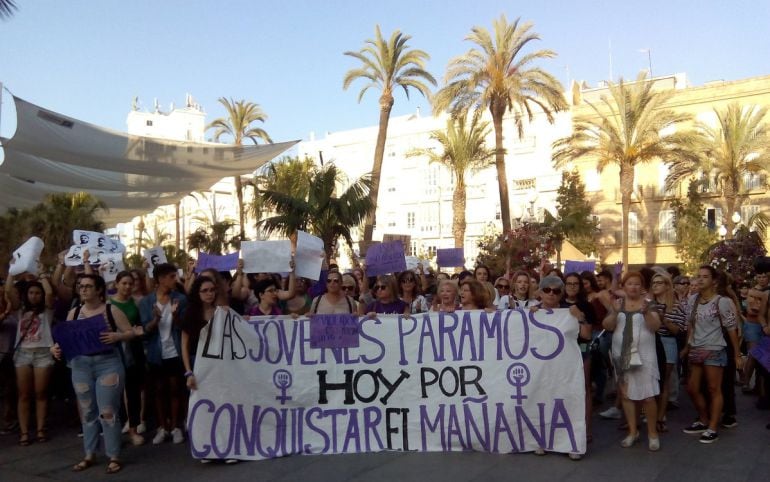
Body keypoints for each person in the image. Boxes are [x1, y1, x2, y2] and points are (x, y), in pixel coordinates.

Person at [51, 274, 135, 474]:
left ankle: (113, 455)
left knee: (108, 411)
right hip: (81, 365)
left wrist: (118, 336)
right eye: (81, 286)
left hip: (107, 363)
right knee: (87, 411)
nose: (84, 289)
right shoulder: (74, 312)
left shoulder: (111, 310)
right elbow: (65, 339)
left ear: (99, 289)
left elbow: (131, 332)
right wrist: (55, 349)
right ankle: (89, 453)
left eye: (88, 286)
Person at [532, 275, 591, 460]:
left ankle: (571, 442)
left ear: (561, 294)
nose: (551, 294)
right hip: (540, 367)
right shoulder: (531, 312)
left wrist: (580, 318)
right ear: (540, 292)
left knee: (569, 402)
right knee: (543, 401)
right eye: (547, 290)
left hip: (566, 367)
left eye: (556, 291)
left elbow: (587, 336)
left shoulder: (570, 311)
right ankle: (542, 440)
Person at [680, 266, 741, 444]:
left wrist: (737, 354)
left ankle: (713, 427)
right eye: (698, 277)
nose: (699, 280)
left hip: (715, 348)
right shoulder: (693, 300)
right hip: (696, 347)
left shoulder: (722, 301)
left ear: (714, 280)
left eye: (704, 277)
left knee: (714, 388)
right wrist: (687, 345)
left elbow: (731, 329)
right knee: (692, 388)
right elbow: (690, 324)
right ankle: (703, 418)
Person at [603, 271, 662, 451]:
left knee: (648, 396)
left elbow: (655, 327)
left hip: (645, 356)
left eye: (637, 284)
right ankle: (632, 431)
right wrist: (614, 312)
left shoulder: (649, 303)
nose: (633, 287)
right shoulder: (618, 303)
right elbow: (608, 326)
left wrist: (646, 313)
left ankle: (652, 433)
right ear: (624, 286)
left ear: (642, 286)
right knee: (627, 395)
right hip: (621, 355)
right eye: (629, 284)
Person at [139, 263, 188, 446]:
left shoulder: (181, 299)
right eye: (171, 277)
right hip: (156, 353)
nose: (175, 280)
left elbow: (184, 326)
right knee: (159, 391)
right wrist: (156, 319)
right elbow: (145, 330)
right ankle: (162, 427)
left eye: (175, 276)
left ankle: (175, 426)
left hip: (175, 350)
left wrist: (176, 318)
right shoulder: (146, 302)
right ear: (160, 279)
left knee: (175, 389)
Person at [5, 274, 55, 446]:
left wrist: (42, 277)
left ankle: (41, 428)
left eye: (37, 293)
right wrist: (12, 273)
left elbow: (49, 294)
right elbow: (9, 291)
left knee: (41, 393)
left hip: (43, 353)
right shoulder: (20, 311)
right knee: (24, 394)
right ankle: (24, 431)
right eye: (31, 293)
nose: (34, 296)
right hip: (23, 353)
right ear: (26, 294)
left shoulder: (47, 310)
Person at [109, 271, 146, 446]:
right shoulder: (107, 304)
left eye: (130, 283)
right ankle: (112, 431)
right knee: (112, 394)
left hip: (133, 351)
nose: (127, 287)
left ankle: (133, 429)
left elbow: (141, 326)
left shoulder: (137, 303)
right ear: (116, 284)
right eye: (124, 283)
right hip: (112, 352)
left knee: (133, 391)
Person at [649, 272, 686, 434]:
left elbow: (677, 330)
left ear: (667, 285)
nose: (655, 285)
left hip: (667, 342)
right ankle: (649, 413)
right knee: (651, 381)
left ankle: (661, 417)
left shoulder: (676, 305)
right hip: (650, 342)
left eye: (659, 282)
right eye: (653, 283)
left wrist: (663, 318)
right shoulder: (648, 304)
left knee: (664, 381)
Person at [563, 272, 597, 444]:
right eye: (568, 283)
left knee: (584, 389)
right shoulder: (557, 303)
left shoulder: (586, 306)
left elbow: (587, 334)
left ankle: (587, 429)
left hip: (581, 351)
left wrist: (579, 316)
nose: (572, 286)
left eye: (575, 283)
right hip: (560, 354)